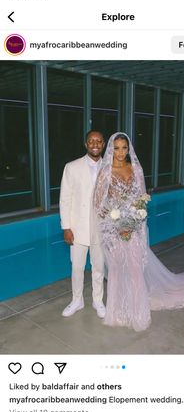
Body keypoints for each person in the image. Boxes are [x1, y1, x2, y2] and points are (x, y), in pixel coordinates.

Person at [93, 132, 184, 331]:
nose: (121, 152)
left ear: (129, 149)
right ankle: (119, 311)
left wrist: (132, 222)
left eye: (124, 148)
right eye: (117, 148)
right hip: (113, 230)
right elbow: (98, 203)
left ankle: (137, 311)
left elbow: (141, 200)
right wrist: (116, 222)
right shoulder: (105, 172)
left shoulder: (135, 169)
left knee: (134, 268)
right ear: (111, 149)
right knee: (117, 269)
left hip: (134, 228)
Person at [60, 130, 106, 318]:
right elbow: (65, 198)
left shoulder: (111, 167)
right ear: (86, 144)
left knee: (98, 267)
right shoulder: (72, 167)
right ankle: (77, 300)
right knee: (77, 267)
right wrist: (66, 227)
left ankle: (98, 300)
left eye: (99, 141)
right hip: (77, 228)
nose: (95, 144)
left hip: (101, 228)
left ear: (103, 144)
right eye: (91, 141)